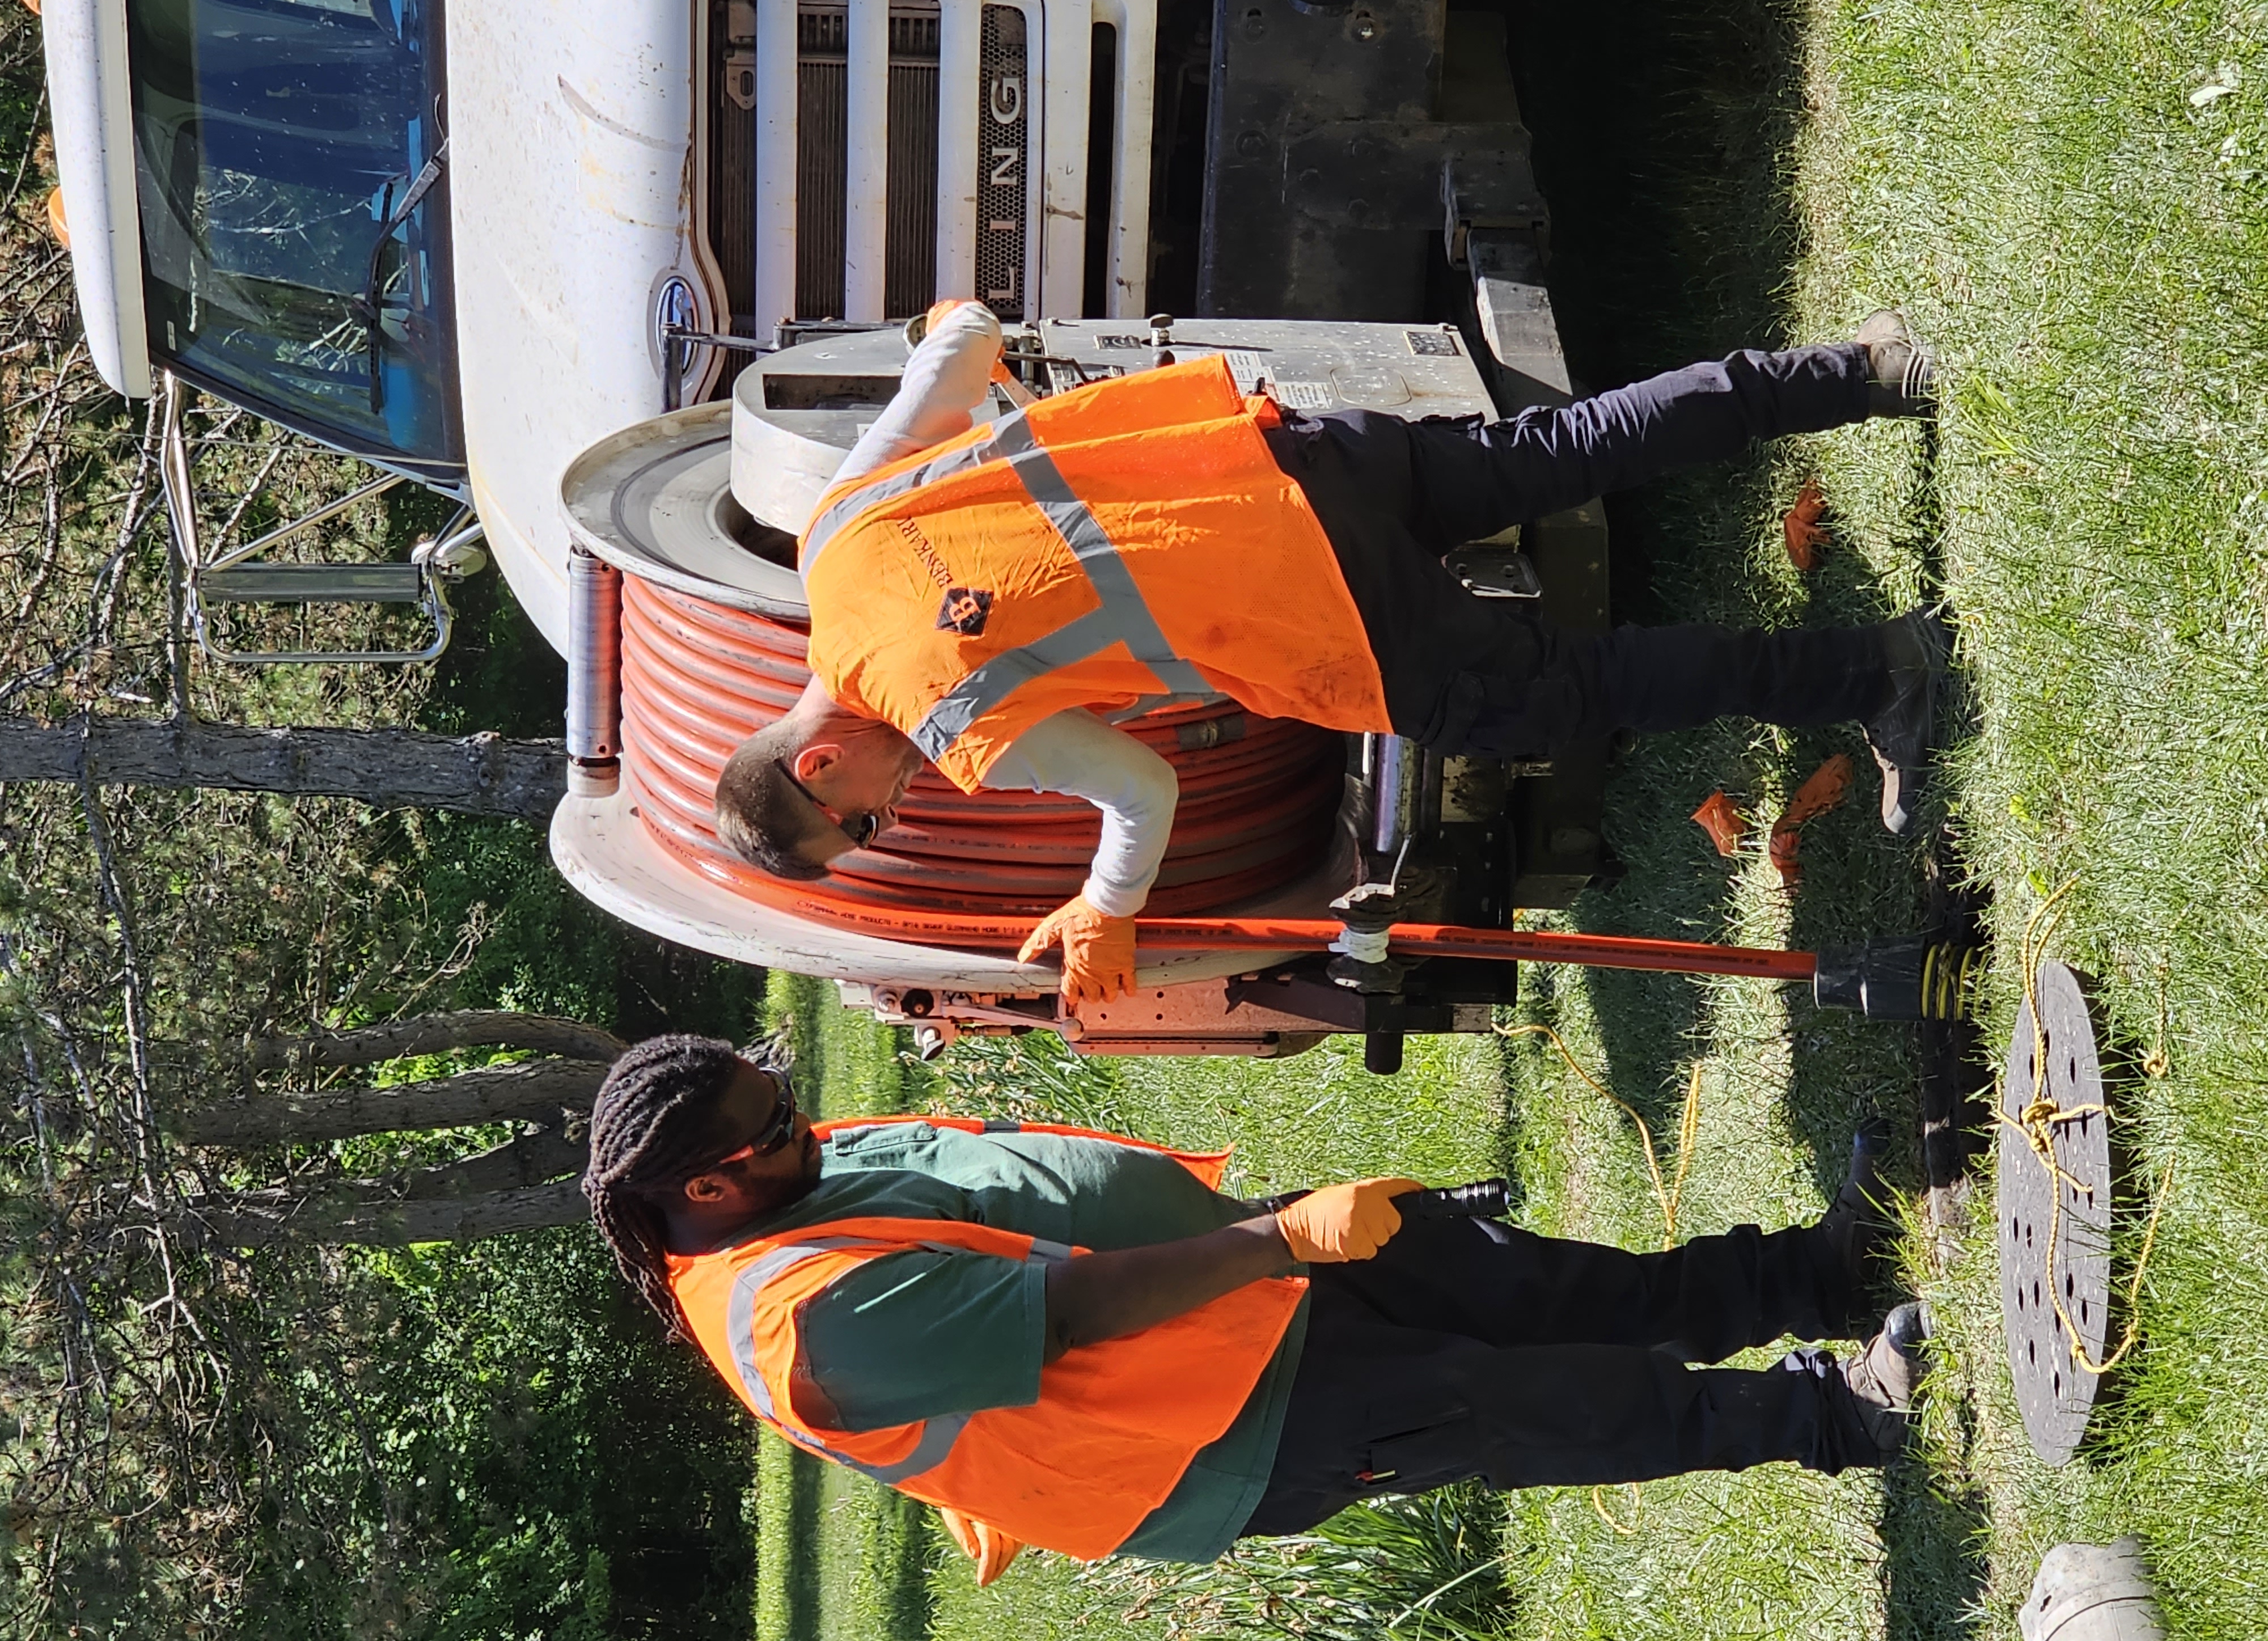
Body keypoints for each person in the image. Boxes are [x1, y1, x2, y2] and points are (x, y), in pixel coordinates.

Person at [712, 301, 1949, 1005]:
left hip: (1324, 614)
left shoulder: (949, 717)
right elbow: (964, 344)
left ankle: (1872, 671)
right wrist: (955, 322)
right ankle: (1867, 367)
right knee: (1558, 450)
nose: (890, 814)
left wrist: (1102, 910)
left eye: (858, 823)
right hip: (1283, 456)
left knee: (1565, 695)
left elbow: (1142, 790)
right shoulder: (829, 536)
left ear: (817, 766)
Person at [583, 1034, 1928, 1581]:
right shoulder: (797, 1325)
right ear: (711, 1183)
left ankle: (1813, 1273)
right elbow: (1064, 1315)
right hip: (1230, 1425)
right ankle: (1841, 1417)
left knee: (1539, 1287)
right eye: (774, 1121)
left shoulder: (777, 1184)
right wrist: (1279, 1239)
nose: (799, 1113)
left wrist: (1269, 1240)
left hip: (1251, 1276)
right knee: (1542, 1407)